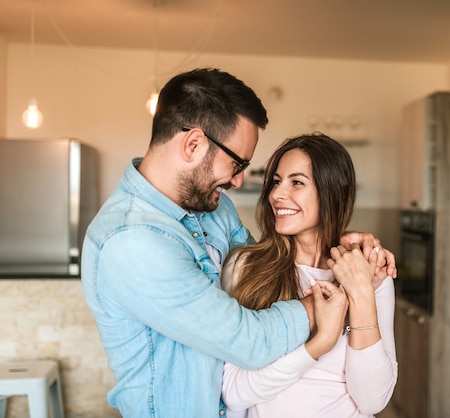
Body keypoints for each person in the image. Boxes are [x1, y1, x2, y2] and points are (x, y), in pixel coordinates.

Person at [81, 68, 396, 417]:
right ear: (194, 144)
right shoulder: (131, 240)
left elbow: (264, 266)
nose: (239, 180)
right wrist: (338, 296)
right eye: (236, 162)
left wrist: (346, 246)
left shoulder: (214, 207)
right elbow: (249, 339)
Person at [221, 133, 398, 417]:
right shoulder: (245, 269)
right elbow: (233, 392)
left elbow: (373, 400)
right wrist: (318, 345)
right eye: (276, 181)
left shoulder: (371, 273)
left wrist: (361, 293)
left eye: (297, 182)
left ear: (332, 192)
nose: (276, 194)